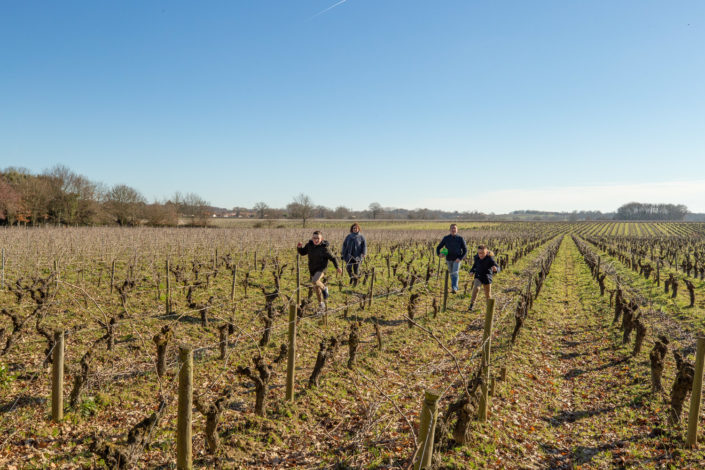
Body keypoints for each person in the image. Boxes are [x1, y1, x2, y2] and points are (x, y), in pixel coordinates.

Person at [297, 231, 342, 311]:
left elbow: (333, 258)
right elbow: (303, 253)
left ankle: (325, 289)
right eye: (314, 238)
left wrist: (337, 267)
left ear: (321, 239)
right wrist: (299, 248)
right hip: (312, 269)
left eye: (318, 238)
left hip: (322, 269)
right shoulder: (309, 245)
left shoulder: (325, 248)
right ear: (312, 238)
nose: (316, 240)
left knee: (315, 280)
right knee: (316, 287)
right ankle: (321, 303)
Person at [436, 224, 467, 293]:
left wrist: (460, 258)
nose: (453, 230)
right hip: (448, 259)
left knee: (455, 273)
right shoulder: (446, 238)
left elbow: (465, 250)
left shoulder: (460, 239)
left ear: (457, 230)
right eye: (452, 228)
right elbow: (438, 247)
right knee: (451, 273)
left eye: (455, 228)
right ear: (450, 230)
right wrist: (439, 254)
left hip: (457, 259)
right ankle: (454, 286)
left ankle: (454, 288)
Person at [468, 245, 500, 311]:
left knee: (488, 295)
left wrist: (496, 269)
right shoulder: (476, 258)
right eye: (479, 253)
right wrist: (472, 271)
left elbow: (498, 267)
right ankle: (472, 305)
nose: (481, 255)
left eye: (482, 253)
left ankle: (489, 307)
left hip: (487, 278)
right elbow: (475, 266)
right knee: (476, 288)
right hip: (478, 276)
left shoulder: (490, 259)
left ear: (486, 252)